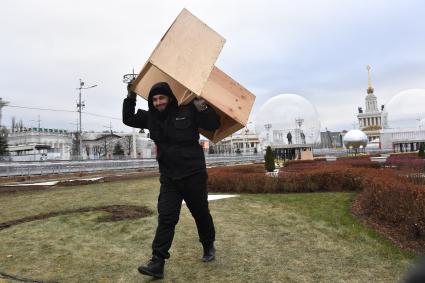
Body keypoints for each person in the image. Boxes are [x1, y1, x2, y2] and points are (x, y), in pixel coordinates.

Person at [122, 81, 220, 279]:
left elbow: (213, 124)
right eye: (155, 99)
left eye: (161, 98)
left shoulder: (188, 110)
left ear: (169, 98)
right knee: (166, 218)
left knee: (200, 213)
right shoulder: (151, 117)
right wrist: (130, 95)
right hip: (169, 177)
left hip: (193, 174)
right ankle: (157, 262)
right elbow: (128, 118)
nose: (158, 102)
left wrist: (200, 103)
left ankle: (208, 245)